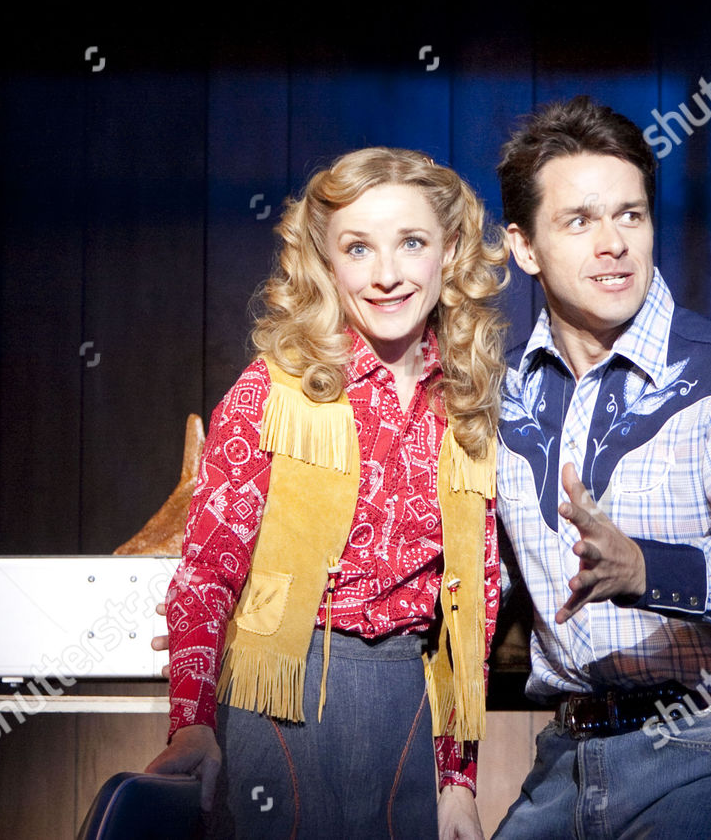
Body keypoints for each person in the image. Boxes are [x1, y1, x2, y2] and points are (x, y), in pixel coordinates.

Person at [144, 147, 508, 840]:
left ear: (449, 250)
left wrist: (457, 781)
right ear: (327, 260)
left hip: (407, 710)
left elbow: (474, 609)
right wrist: (191, 723)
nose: (387, 274)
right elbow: (205, 577)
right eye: (358, 248)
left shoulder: (469, 409)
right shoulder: (269, 391)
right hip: (279, 703)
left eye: (411, 242)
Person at [489, 96, 711, 839]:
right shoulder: (499, 398)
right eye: (580, 220)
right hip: (567, 753)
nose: (614, 244)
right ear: (523, 246)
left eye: (631, 216)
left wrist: (643, 567)